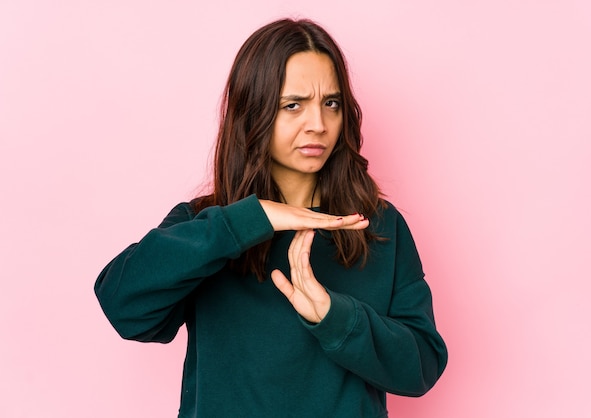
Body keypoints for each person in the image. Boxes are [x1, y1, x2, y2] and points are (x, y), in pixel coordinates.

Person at [95, 18, 447, 418]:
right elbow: (123, 307)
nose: (318, 124)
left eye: (330, 103)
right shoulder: (207, 225)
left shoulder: (378, 225)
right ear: (254, 111)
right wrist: (247, 220)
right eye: (293, 105)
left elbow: (422, 366)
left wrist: (335, 317)